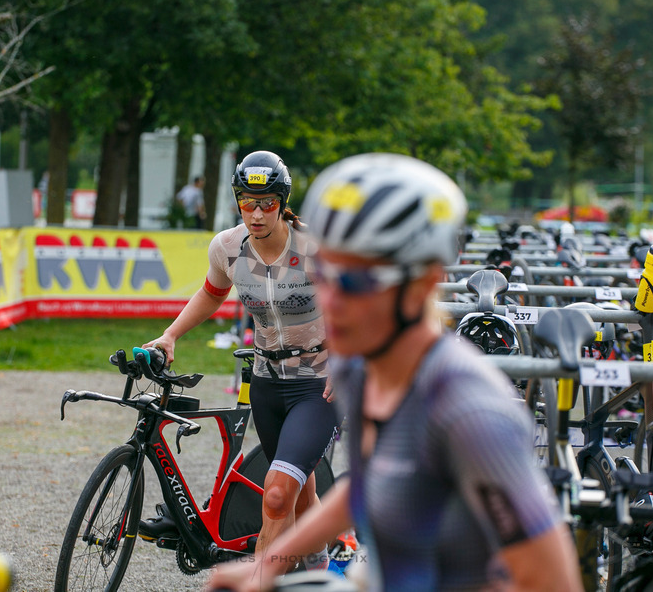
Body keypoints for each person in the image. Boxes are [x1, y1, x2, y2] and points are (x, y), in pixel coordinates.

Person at [207, 153, 581, 591]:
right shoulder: (359, 372)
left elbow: (552, 579)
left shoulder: (469, 411)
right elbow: (369, 485)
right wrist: (266, 568)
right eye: (323, 275)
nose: (329, 300)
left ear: (420, 286)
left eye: (354, 283)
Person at [144, 150, 338, 561]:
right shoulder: (228, 247)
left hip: (317, 382)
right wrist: (171, 334)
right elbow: (211, 293)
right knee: (300, 493)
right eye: (247, 202)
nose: (257, 213)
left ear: (282, 203)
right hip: (266, 381)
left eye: (267, 203)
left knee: (276, 494)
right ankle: (322, 568)